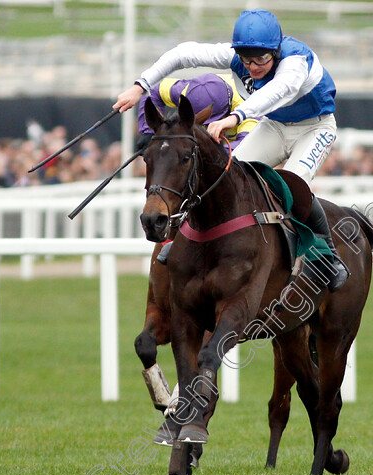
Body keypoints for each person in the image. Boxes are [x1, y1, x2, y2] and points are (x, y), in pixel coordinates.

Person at [114, 8, 348, 291]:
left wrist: (235, 117)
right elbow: (182, 54)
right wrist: (140, 86)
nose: (253, 66)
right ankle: (180, 238)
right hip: (274, 126)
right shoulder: (239, 57)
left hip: (315, 128)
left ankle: (330, 257)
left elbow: (275, 92)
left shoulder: (295, 62)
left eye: (261, 58)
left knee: (294, 184)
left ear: (275, 50)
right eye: (246, 59)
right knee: (227, 174)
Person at [135, 73, 258, 154]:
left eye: (207, 124)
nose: (204, 129)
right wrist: (148, 133)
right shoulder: (184, 92)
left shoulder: (248, 106)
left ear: (227, 111)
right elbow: (152, 90)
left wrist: (207, 150)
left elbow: (246, 148)